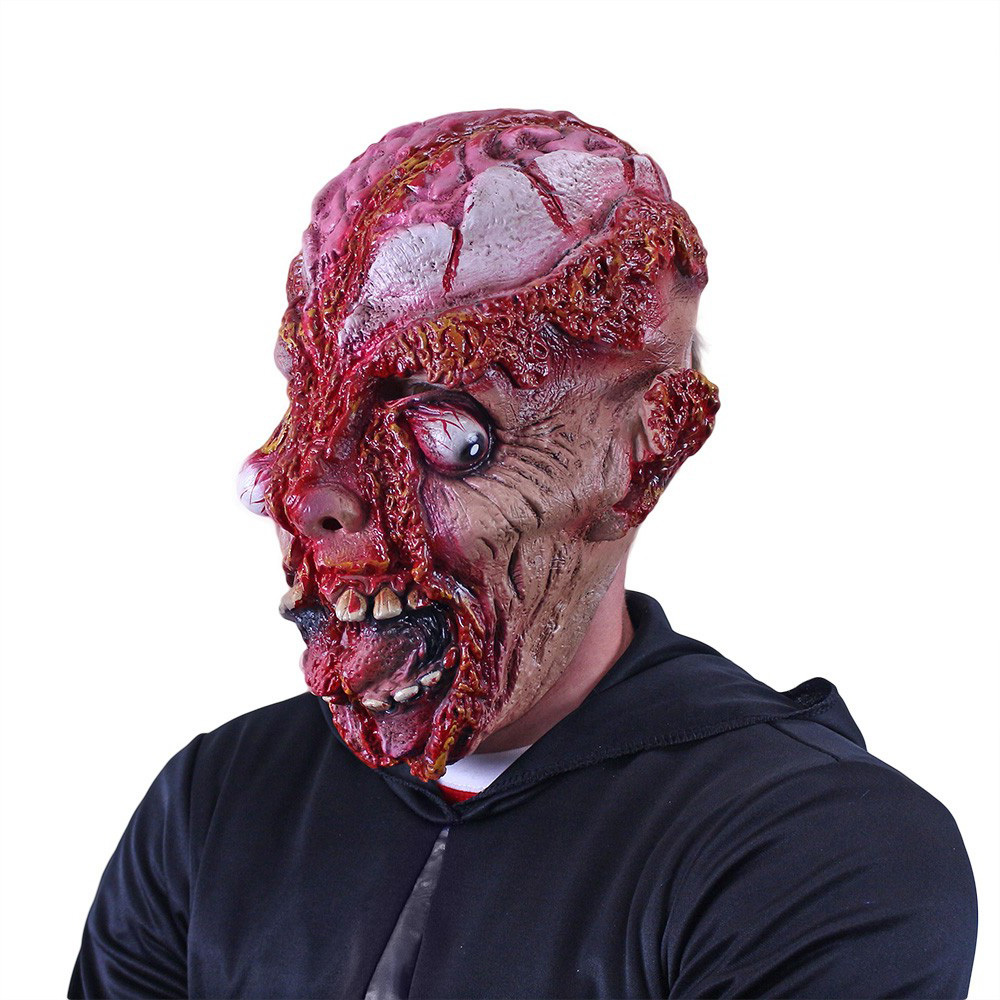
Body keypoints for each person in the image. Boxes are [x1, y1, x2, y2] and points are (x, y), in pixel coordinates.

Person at [69, 109, 977, 999]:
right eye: (310, 409)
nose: (304, 495)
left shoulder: (814, 850)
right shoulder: (220, 803)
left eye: (446, 430)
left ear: (642, 454)